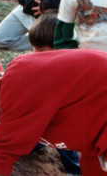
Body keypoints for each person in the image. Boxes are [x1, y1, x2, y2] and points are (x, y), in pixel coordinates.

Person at [28, 9, 81, 175]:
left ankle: (74, 170)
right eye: (34, 48)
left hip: (66, 121)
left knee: (66, 139)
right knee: (26, 147)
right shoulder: (36, 65)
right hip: (41, 121)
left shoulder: (71, 69)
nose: (36, 54)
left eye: (41, 50)